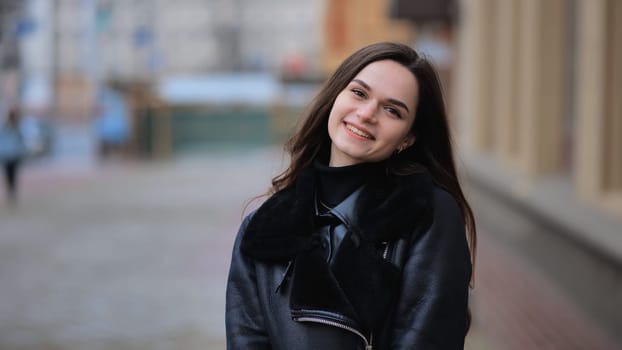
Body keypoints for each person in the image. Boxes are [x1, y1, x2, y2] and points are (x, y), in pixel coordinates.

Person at [226, 42, 476, 349]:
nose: (367, 113)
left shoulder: (430, 216)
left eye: (392, 110)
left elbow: (427, 338)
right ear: (335, 97)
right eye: (359, 93)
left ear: (408, 138)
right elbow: (247, 340)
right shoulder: (261, 230)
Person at [0, 107, 26, 206]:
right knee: (9, 175)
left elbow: (20, 141)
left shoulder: (17, 128)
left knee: (13, 175)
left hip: (13, 155)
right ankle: (11, 193)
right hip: (7, 155)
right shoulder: (5, 127)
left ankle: (12, 193)